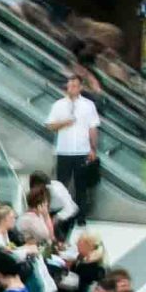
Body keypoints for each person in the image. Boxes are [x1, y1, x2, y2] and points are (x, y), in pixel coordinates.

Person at [46, 75, 102, 221]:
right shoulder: (58, 105)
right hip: (64, 151)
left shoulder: (88, 105)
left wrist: (93, 148)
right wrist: (65, 123)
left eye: (75, 86)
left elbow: (93, 128)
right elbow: (50, 125)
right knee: (61, 185)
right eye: (69, 86)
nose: (71, 89)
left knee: (81, 186)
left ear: (80, 87)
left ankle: (81, 216)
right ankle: (60, 214)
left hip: (82, 151)